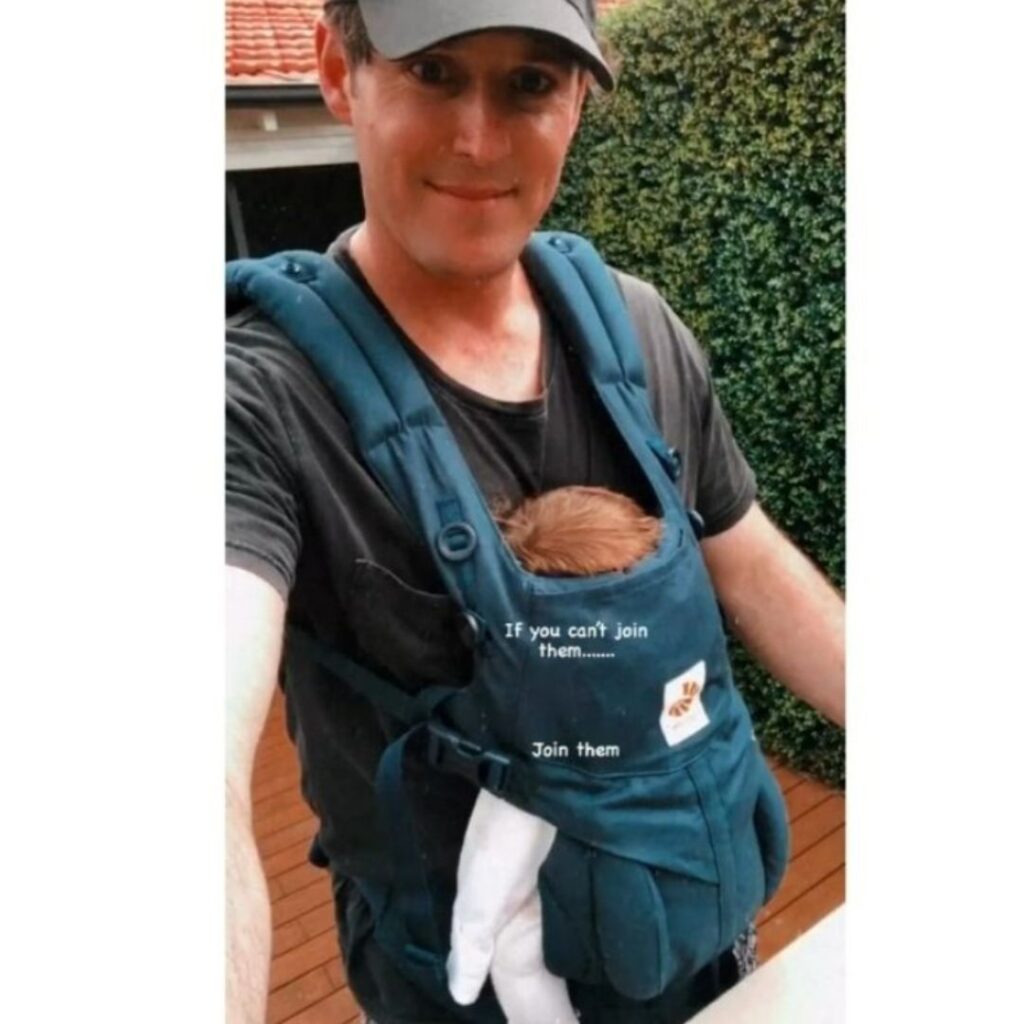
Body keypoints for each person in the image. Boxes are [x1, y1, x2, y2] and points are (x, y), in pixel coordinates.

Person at [225, 2, 846, 1023]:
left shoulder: (637, 329)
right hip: (474, 986)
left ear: (578, 105)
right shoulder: (262, 404)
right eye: (433, 73)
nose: (478, 138)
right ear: (340, 71)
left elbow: (756, 570)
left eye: (529, 84)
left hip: (696, 917)